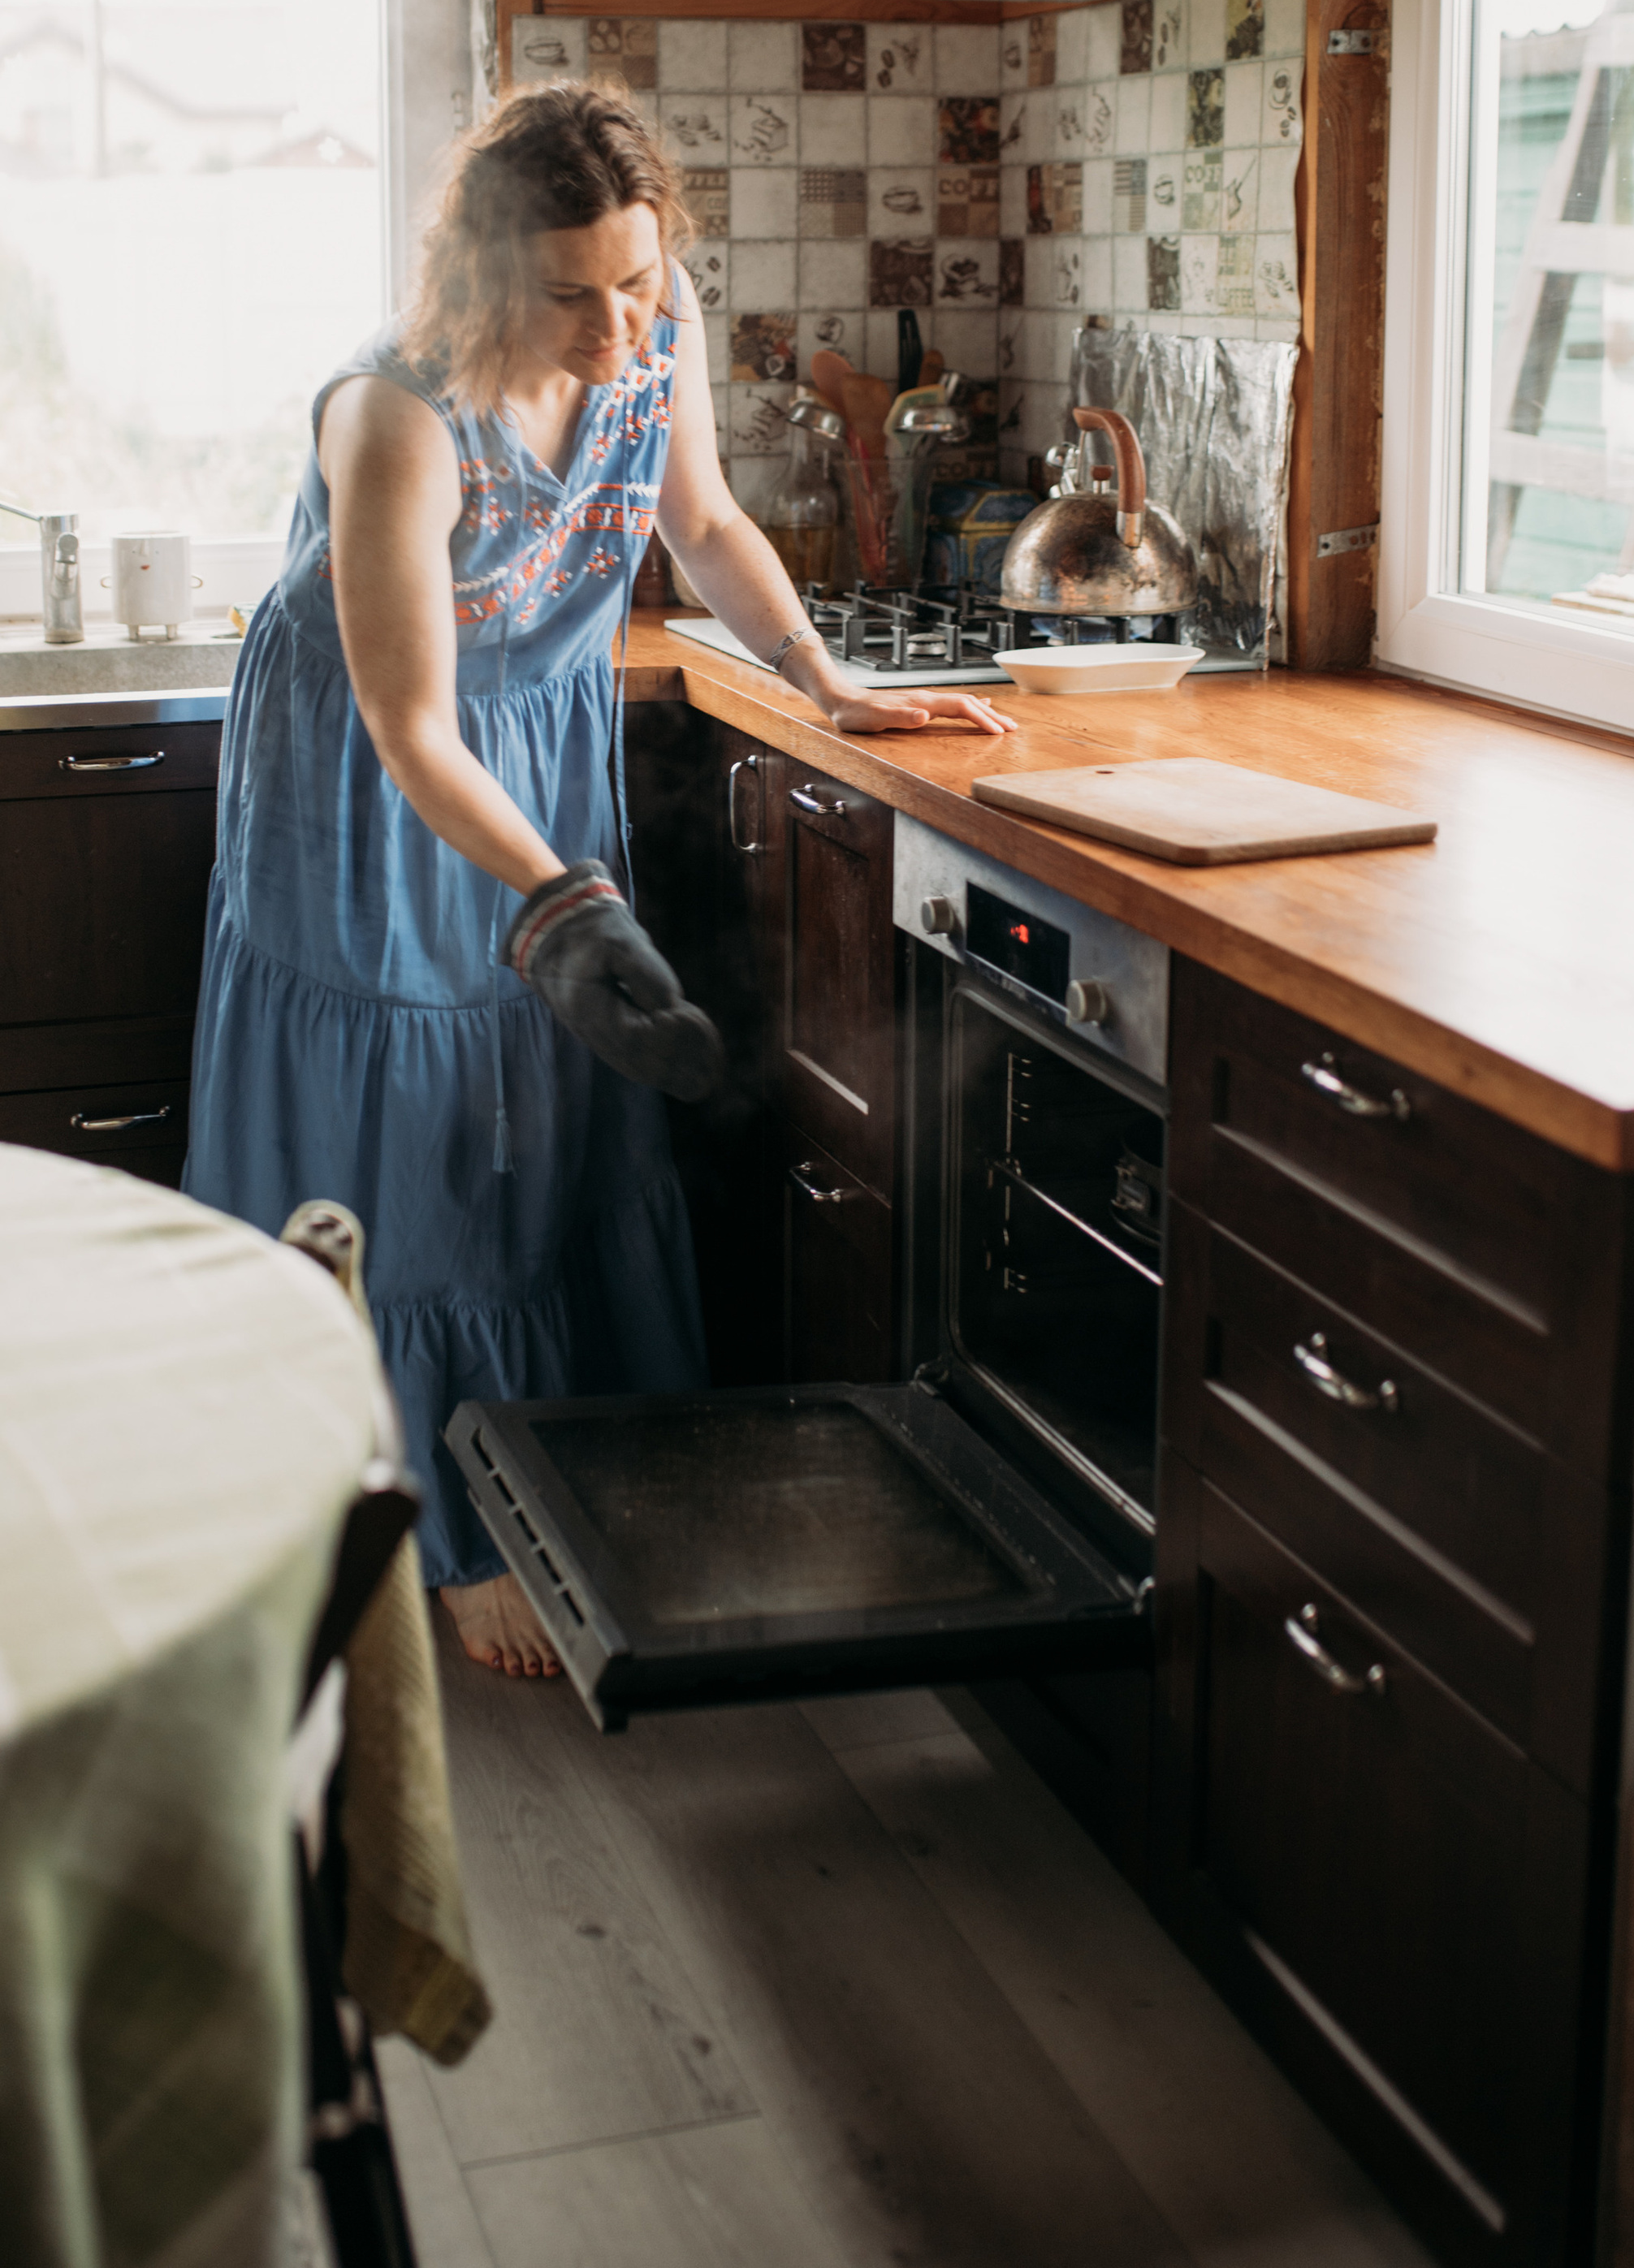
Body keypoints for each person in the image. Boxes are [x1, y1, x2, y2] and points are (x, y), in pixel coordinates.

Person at [184, 82, 1014, 1679]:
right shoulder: (395, 416)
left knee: (546, 1096)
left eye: (638, 282)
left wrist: (822, 676)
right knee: (414, 1124)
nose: (620, 327)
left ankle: (554, 1460)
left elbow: (698, 519)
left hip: (535, 754)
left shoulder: (652, 322)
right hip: (372, 785)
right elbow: (409, 721)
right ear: (482, 277)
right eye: (572, 295)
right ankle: (429, 1535)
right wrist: (560, 903)